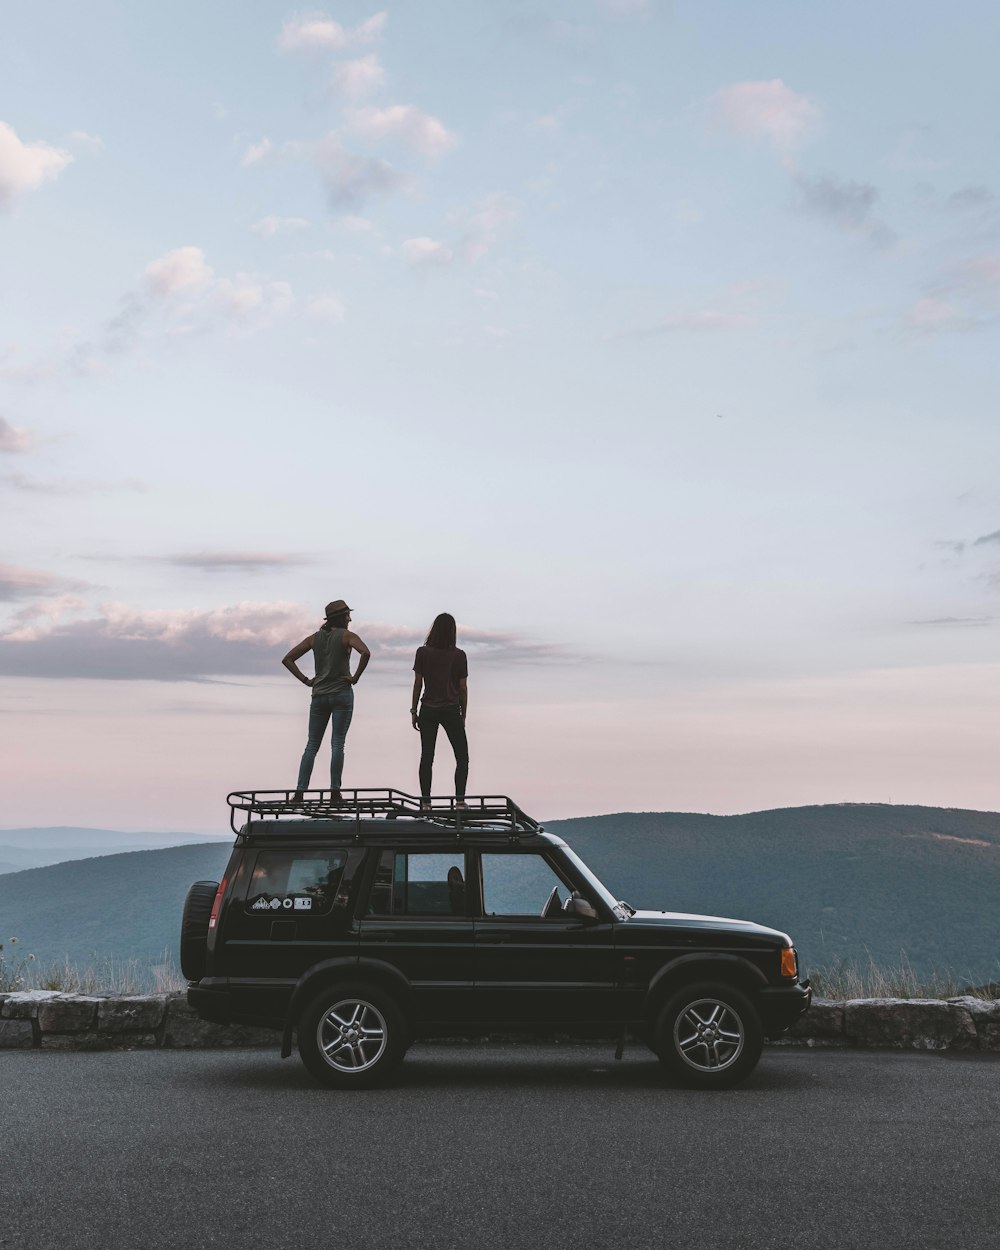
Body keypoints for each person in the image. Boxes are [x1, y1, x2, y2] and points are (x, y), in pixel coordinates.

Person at [283, 599, 370, 798]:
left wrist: (306, 680)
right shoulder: (347, 636)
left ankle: (300, 791)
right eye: (348, 615)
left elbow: (287, 659)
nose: (350, 618)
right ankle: (335, 791)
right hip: (341, 693)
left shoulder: (314, 638)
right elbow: (365, 652)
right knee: (337, 743)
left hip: (319, 695)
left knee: (312, 744)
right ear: (341, 617)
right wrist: (355, 677)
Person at [411, 612, 469, 807]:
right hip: (451, 709)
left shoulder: (422, 652)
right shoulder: (459, 655)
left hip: (427, 708)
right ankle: (460, 801)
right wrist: (463, 714)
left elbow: (418, 684)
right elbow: (462, 688)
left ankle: (426, 802)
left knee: (427, 756)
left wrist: (413, 710)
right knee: (462, 757)